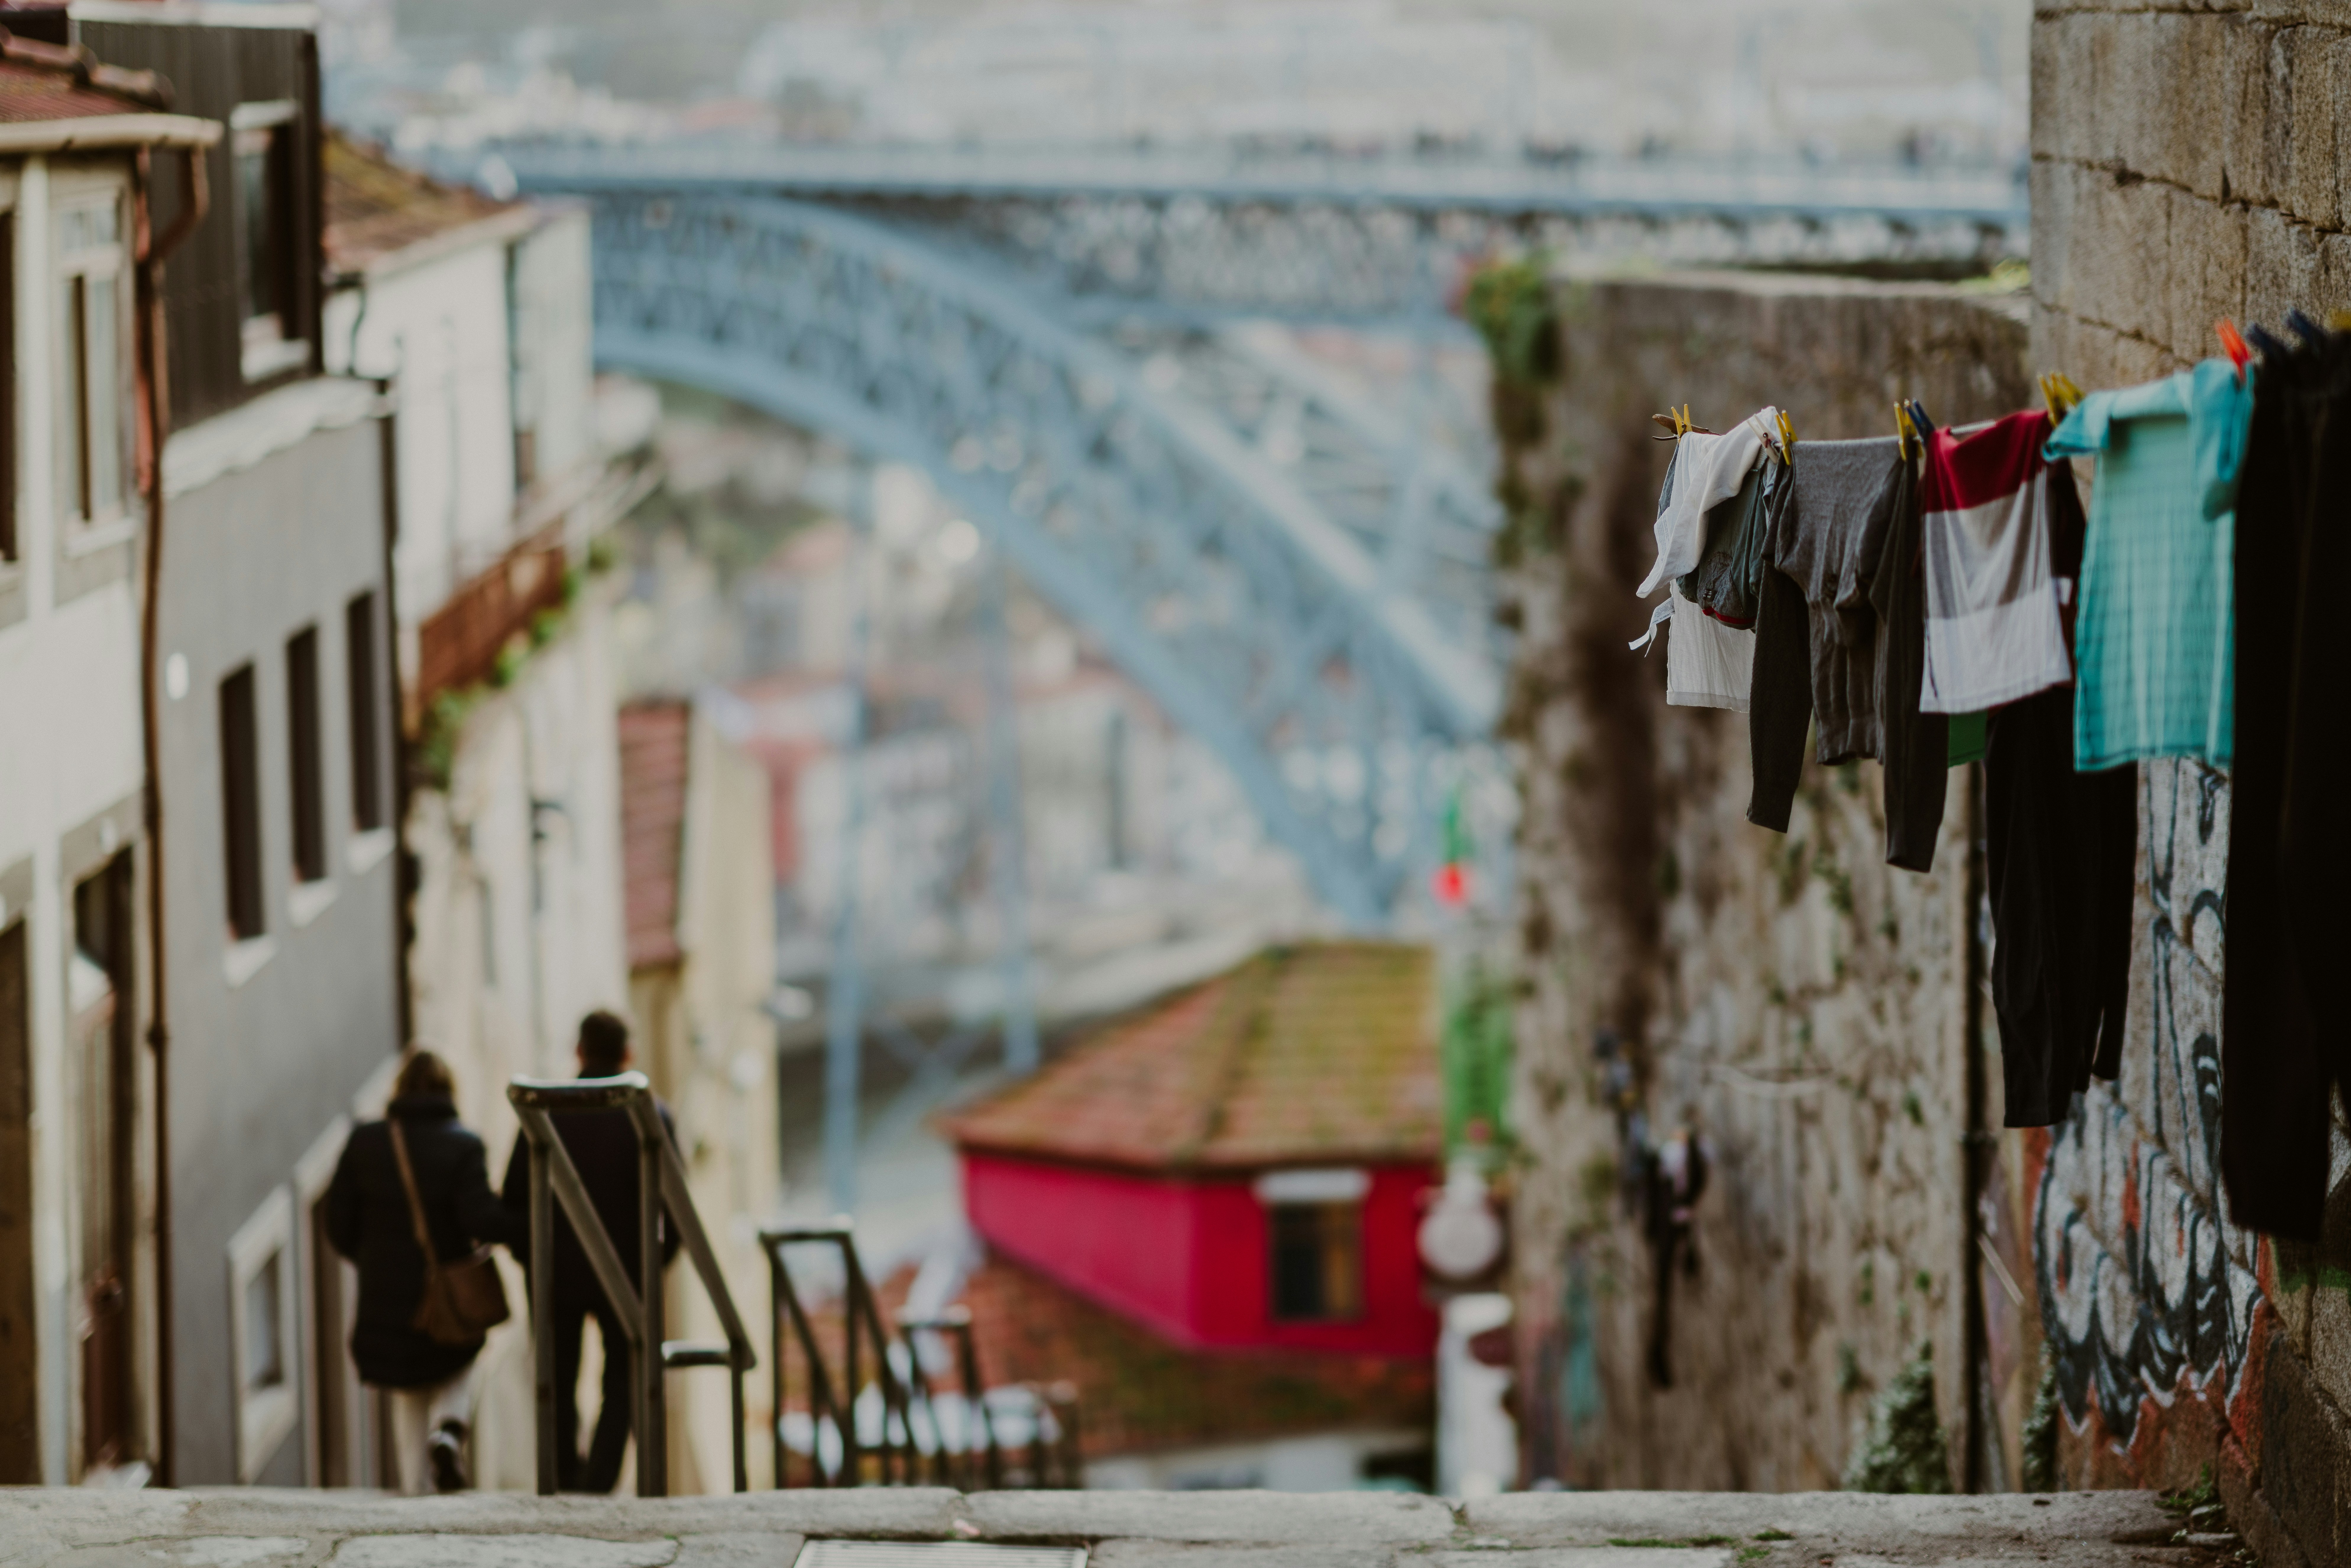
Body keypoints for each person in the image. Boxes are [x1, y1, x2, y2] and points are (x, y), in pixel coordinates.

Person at [324, 1048, 519, 1494]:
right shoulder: (464, 1146)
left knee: (407, 1392)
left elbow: (337, 1224)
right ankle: (449, 1431)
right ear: (449, 1092)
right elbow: (482, 1220)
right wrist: (528, 1223)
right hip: (445, 1303)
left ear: (400, 1090)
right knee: (464, 1359)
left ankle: (416, 1497)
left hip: (384, 1306)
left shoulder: (364, 1143)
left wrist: (373, 1261)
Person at [501, 1010, 679, 1493]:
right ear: (629, 1054)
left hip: (556, 1271)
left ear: (579, 1051)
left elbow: (514, 1199)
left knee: (556, 1378)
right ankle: (599, 1482)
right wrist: (653, 1265)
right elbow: (677, 1211)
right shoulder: (651, 1115)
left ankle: (563, 1475)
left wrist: (532, 1260)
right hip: (627, 1271)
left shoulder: (545, 1111)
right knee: (623, 1380)